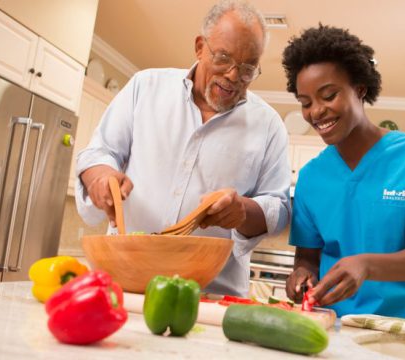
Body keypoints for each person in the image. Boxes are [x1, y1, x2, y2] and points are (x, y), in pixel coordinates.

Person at [75, 0, 291, 297]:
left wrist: (243, 210)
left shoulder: (268, 125)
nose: (232, 75)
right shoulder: (145, 87)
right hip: (126, 281)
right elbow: (98, 153)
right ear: (200, 47)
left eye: (247, 69)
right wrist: (101, 178)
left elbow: (278, 208)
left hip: (211, 294)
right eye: (223, 58)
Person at [282, 25, 405, 321]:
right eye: (305, 103)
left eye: (328, 96)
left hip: (398, 330)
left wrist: (366, 265)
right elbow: (307, 257)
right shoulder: (311, 176)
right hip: (327, 326)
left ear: (360, 89)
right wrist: (301, 275)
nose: (316, 112)